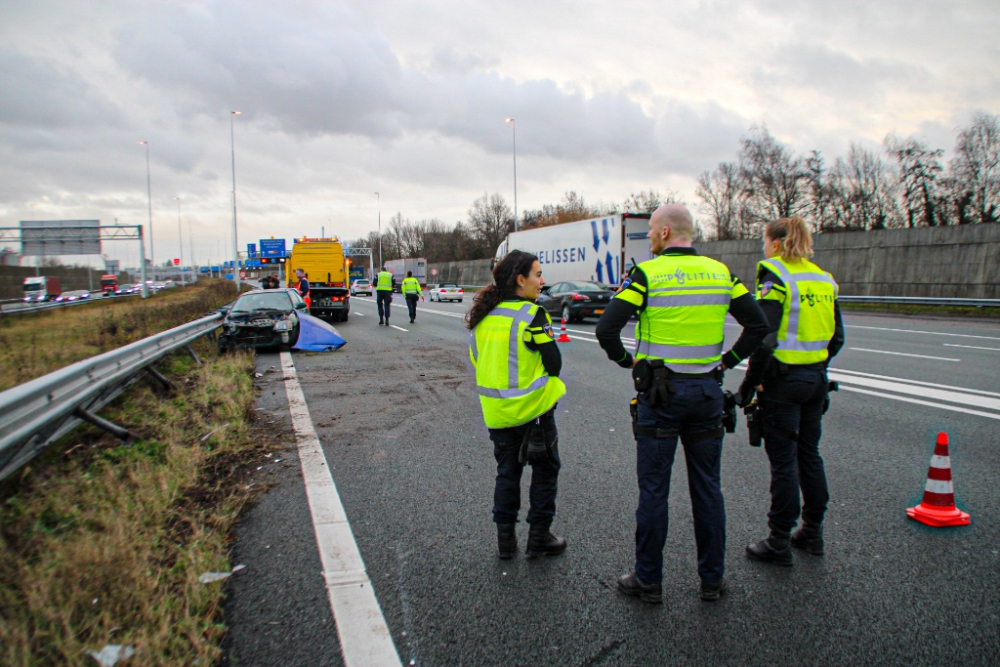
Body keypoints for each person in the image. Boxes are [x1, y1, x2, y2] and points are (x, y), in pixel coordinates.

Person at [595, 204, 769, 603]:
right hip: (707, 392)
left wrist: (630, 362)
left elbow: (607, 329)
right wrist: (726, 361)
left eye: (653, 231)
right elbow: (758, 325)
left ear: (667, 233)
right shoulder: (721, 273)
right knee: (708, 489)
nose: (651, 237)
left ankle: (649, 581)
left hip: (662, 393)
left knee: (654, 490)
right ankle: (712, 580)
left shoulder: (648, 273)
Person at [741, 216, 845, 565]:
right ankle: (812, 533)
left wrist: (749, 384)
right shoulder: (823, 279)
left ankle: (778, 541)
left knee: (784, 462)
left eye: (764, 240)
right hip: (815, 380)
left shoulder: (777, 275)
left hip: (783, 384)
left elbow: (764, 337)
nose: (763, 246)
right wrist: (815, 367)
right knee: (810, 455)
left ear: (775, 243)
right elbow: (838, 338)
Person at [466, 250, 568, 560]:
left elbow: (478, 361)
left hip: (497, 413)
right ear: (520, 279)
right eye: (538, 274)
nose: (542, 280)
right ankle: (538, 537)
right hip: (534, 412)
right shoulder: (532, 315)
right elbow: (553, 364)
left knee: (507, 474)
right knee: (545, 470)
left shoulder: (483, 318)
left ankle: (505, 543)